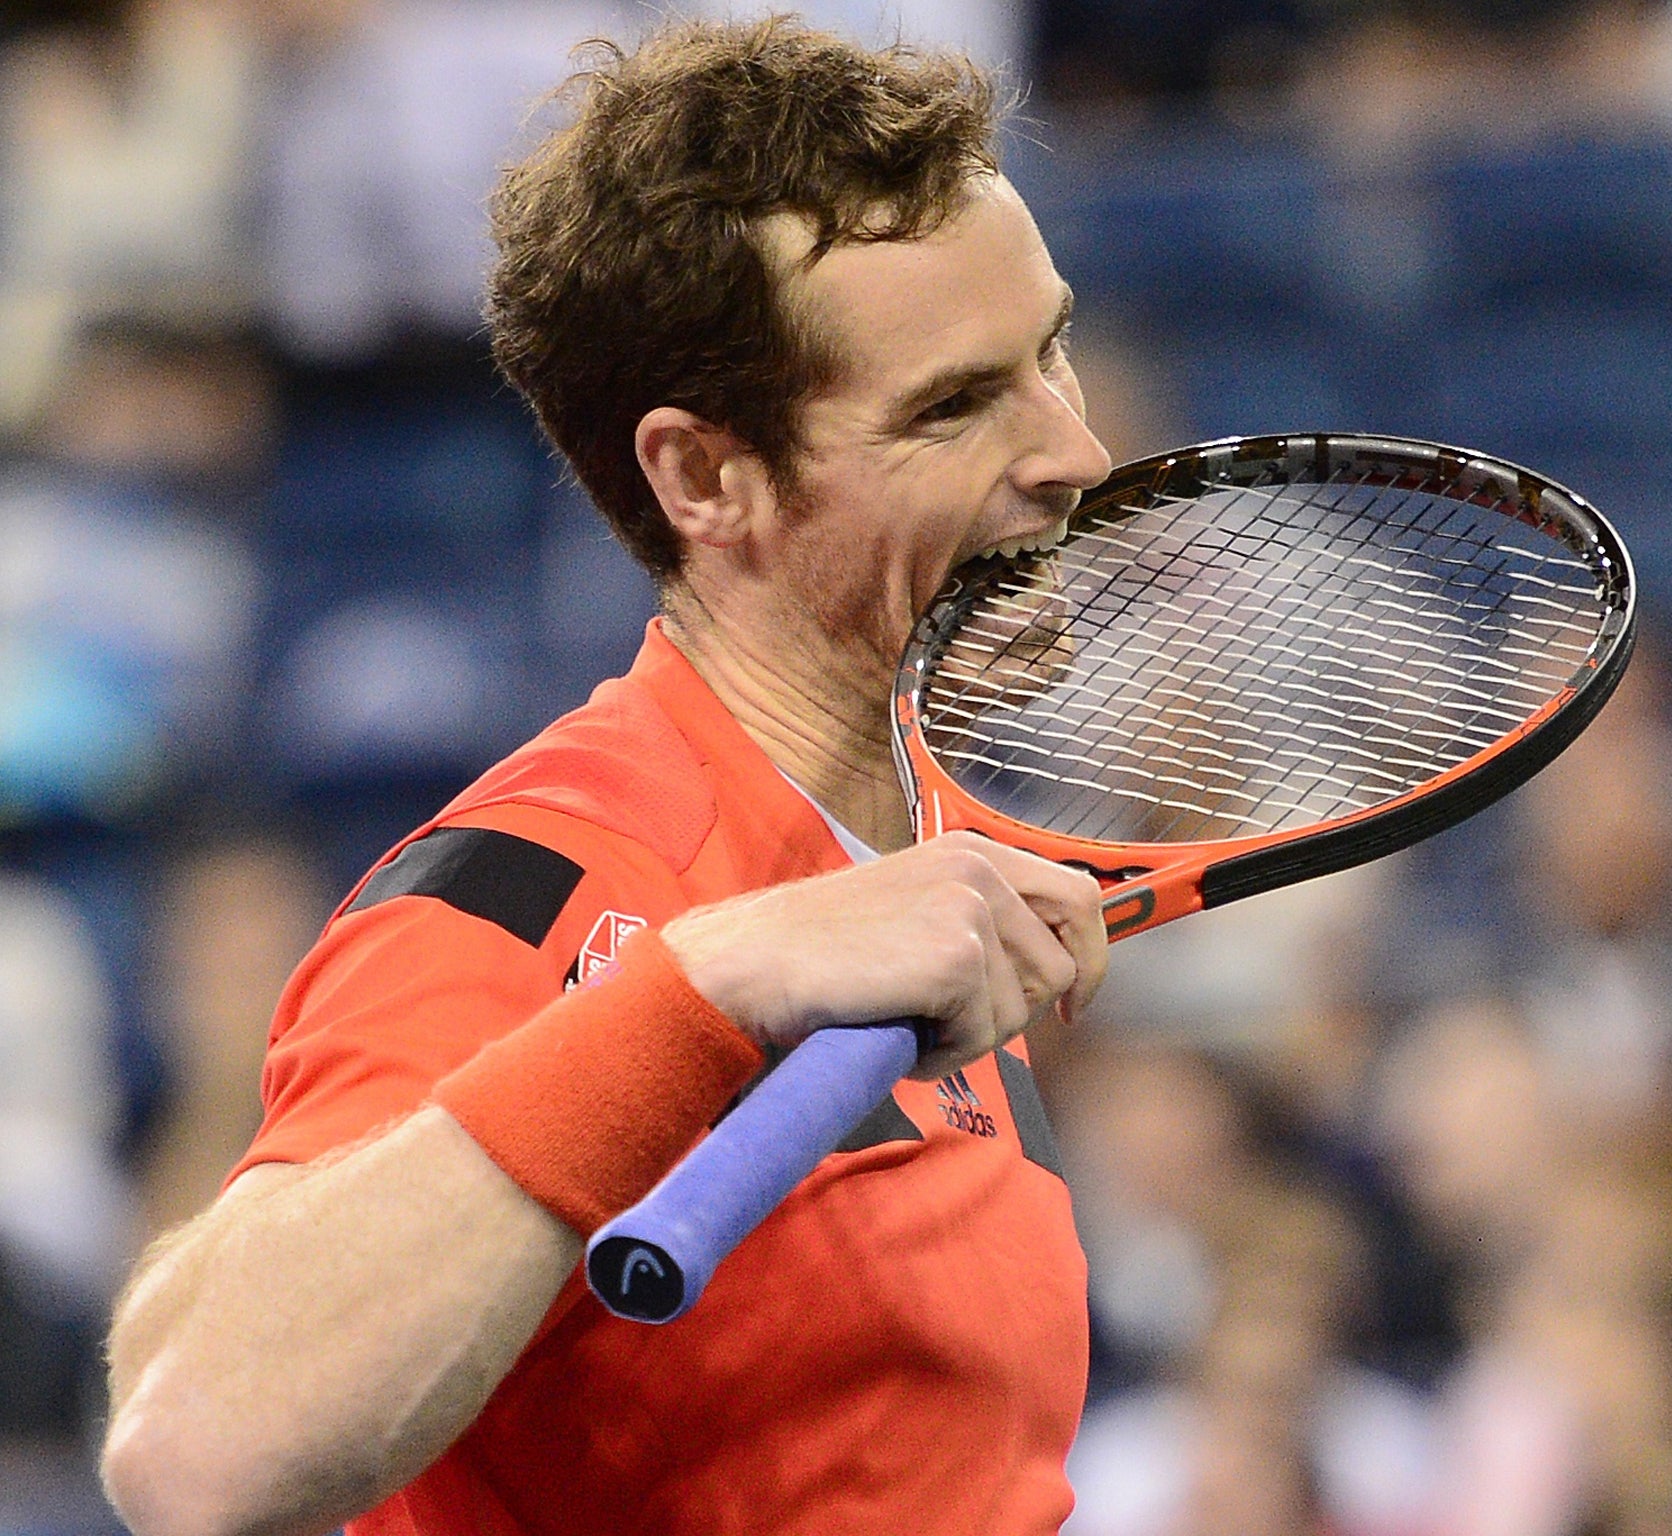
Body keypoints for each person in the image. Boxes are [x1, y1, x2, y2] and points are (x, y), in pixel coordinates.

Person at [98, 18, 1114, 1536]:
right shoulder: (545, 886)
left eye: (1049, 349)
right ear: (706, 477)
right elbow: (189, 1447)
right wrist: (710, 986)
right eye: (956, 406)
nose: (1077, 450)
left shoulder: (887, 888)